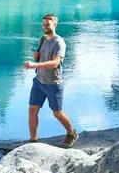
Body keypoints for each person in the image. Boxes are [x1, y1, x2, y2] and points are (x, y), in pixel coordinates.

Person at [23, 14, 78, 148]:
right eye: (43, 24)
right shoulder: (42, 39)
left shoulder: (59, 42)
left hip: (53, 84)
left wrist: (34, 65)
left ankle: (72, 133)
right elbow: (42, 55)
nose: (45, 27)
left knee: (57, 113)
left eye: (48, 24)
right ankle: (33, 141)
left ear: (55, 25)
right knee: (32, 109)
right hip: (39, 81)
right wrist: (37, 56)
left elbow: (55, 63)